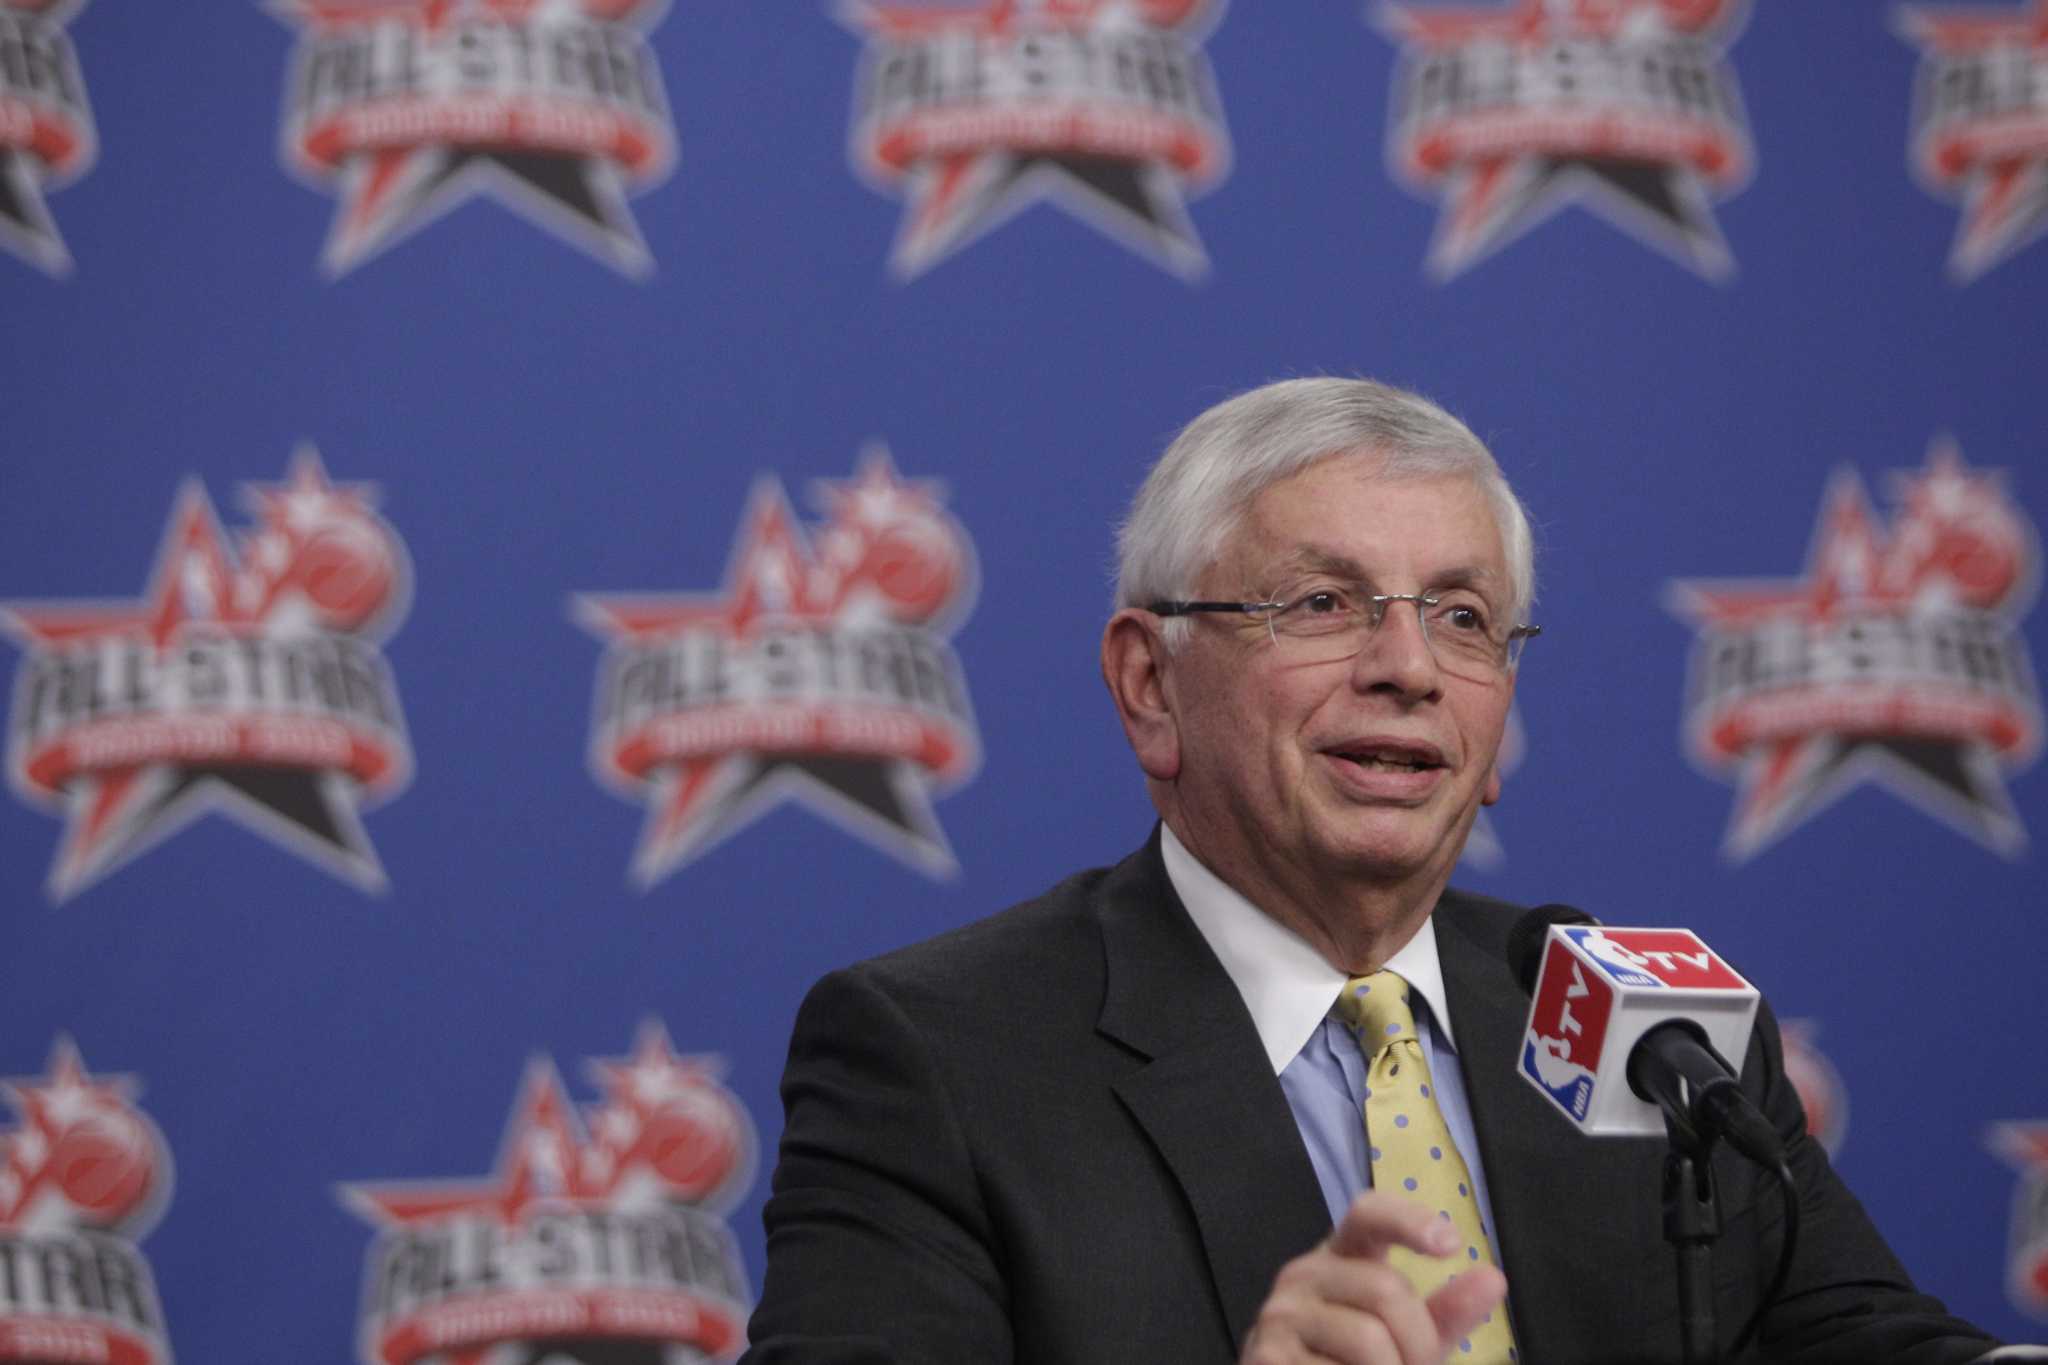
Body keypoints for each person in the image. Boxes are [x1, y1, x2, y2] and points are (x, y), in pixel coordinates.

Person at [738, 379, 2019, 1364]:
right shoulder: (938, 1059)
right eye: (1320, 604)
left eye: (1462, 618)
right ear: (1148, 687)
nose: (1408, 667)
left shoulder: (1652, 1040)